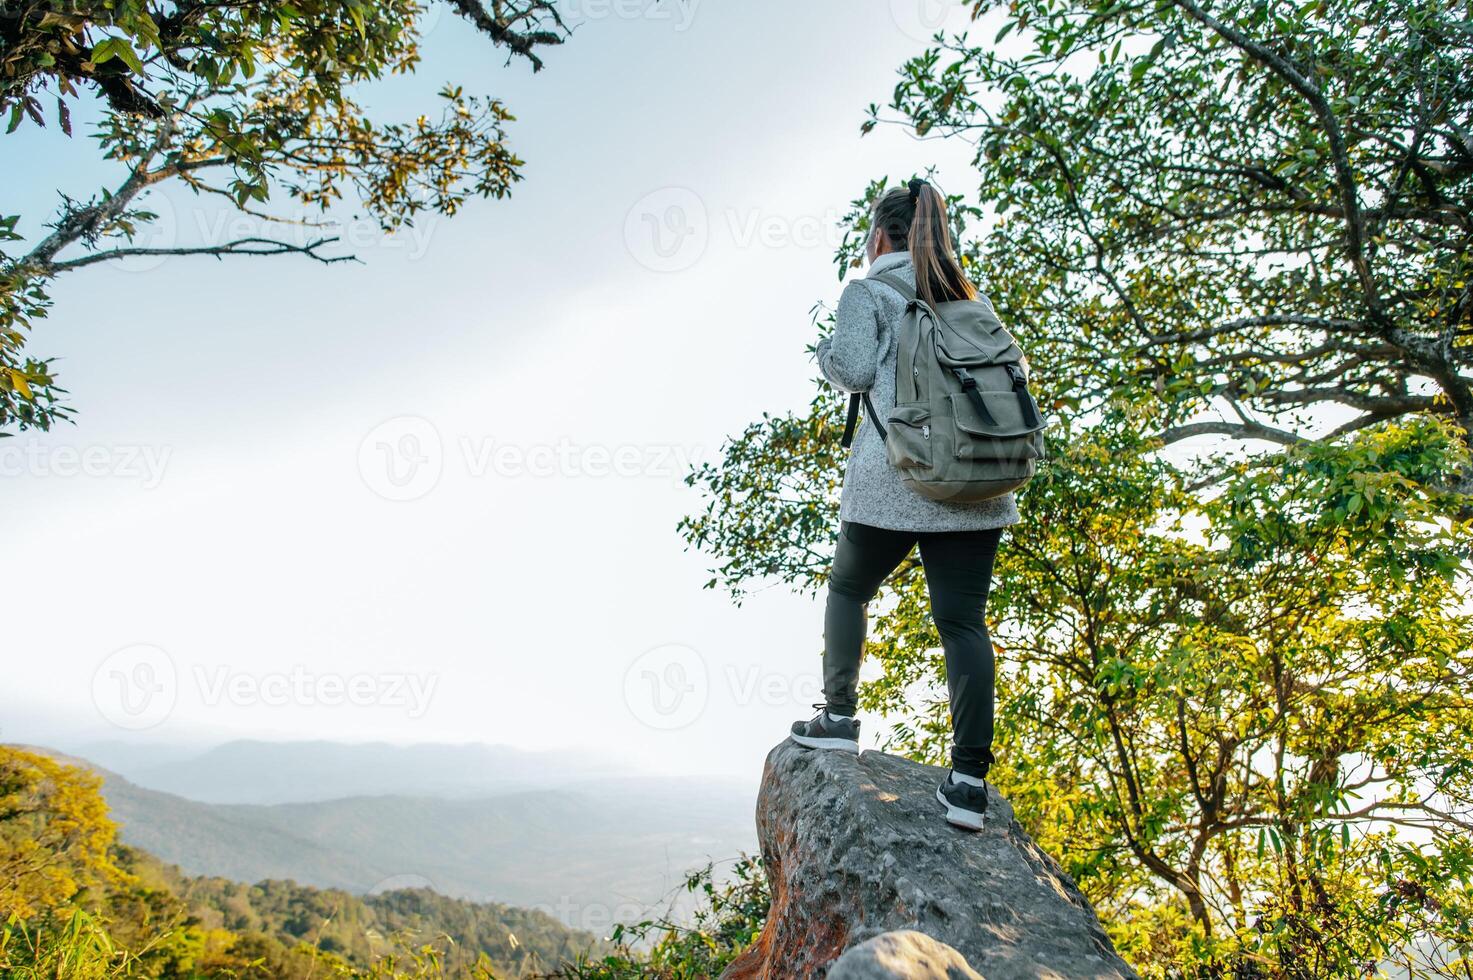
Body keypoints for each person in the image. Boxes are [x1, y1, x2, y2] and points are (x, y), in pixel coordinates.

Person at [789, 178, 1018, 832]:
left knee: (848, 589)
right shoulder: (968, 295)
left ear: (881, 235)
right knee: (962, 625)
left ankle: (837, 719)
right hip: (978, 481)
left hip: (898, 483)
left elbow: (853, 369)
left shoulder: (869, 290)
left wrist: (827, 355)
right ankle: (968, 783)